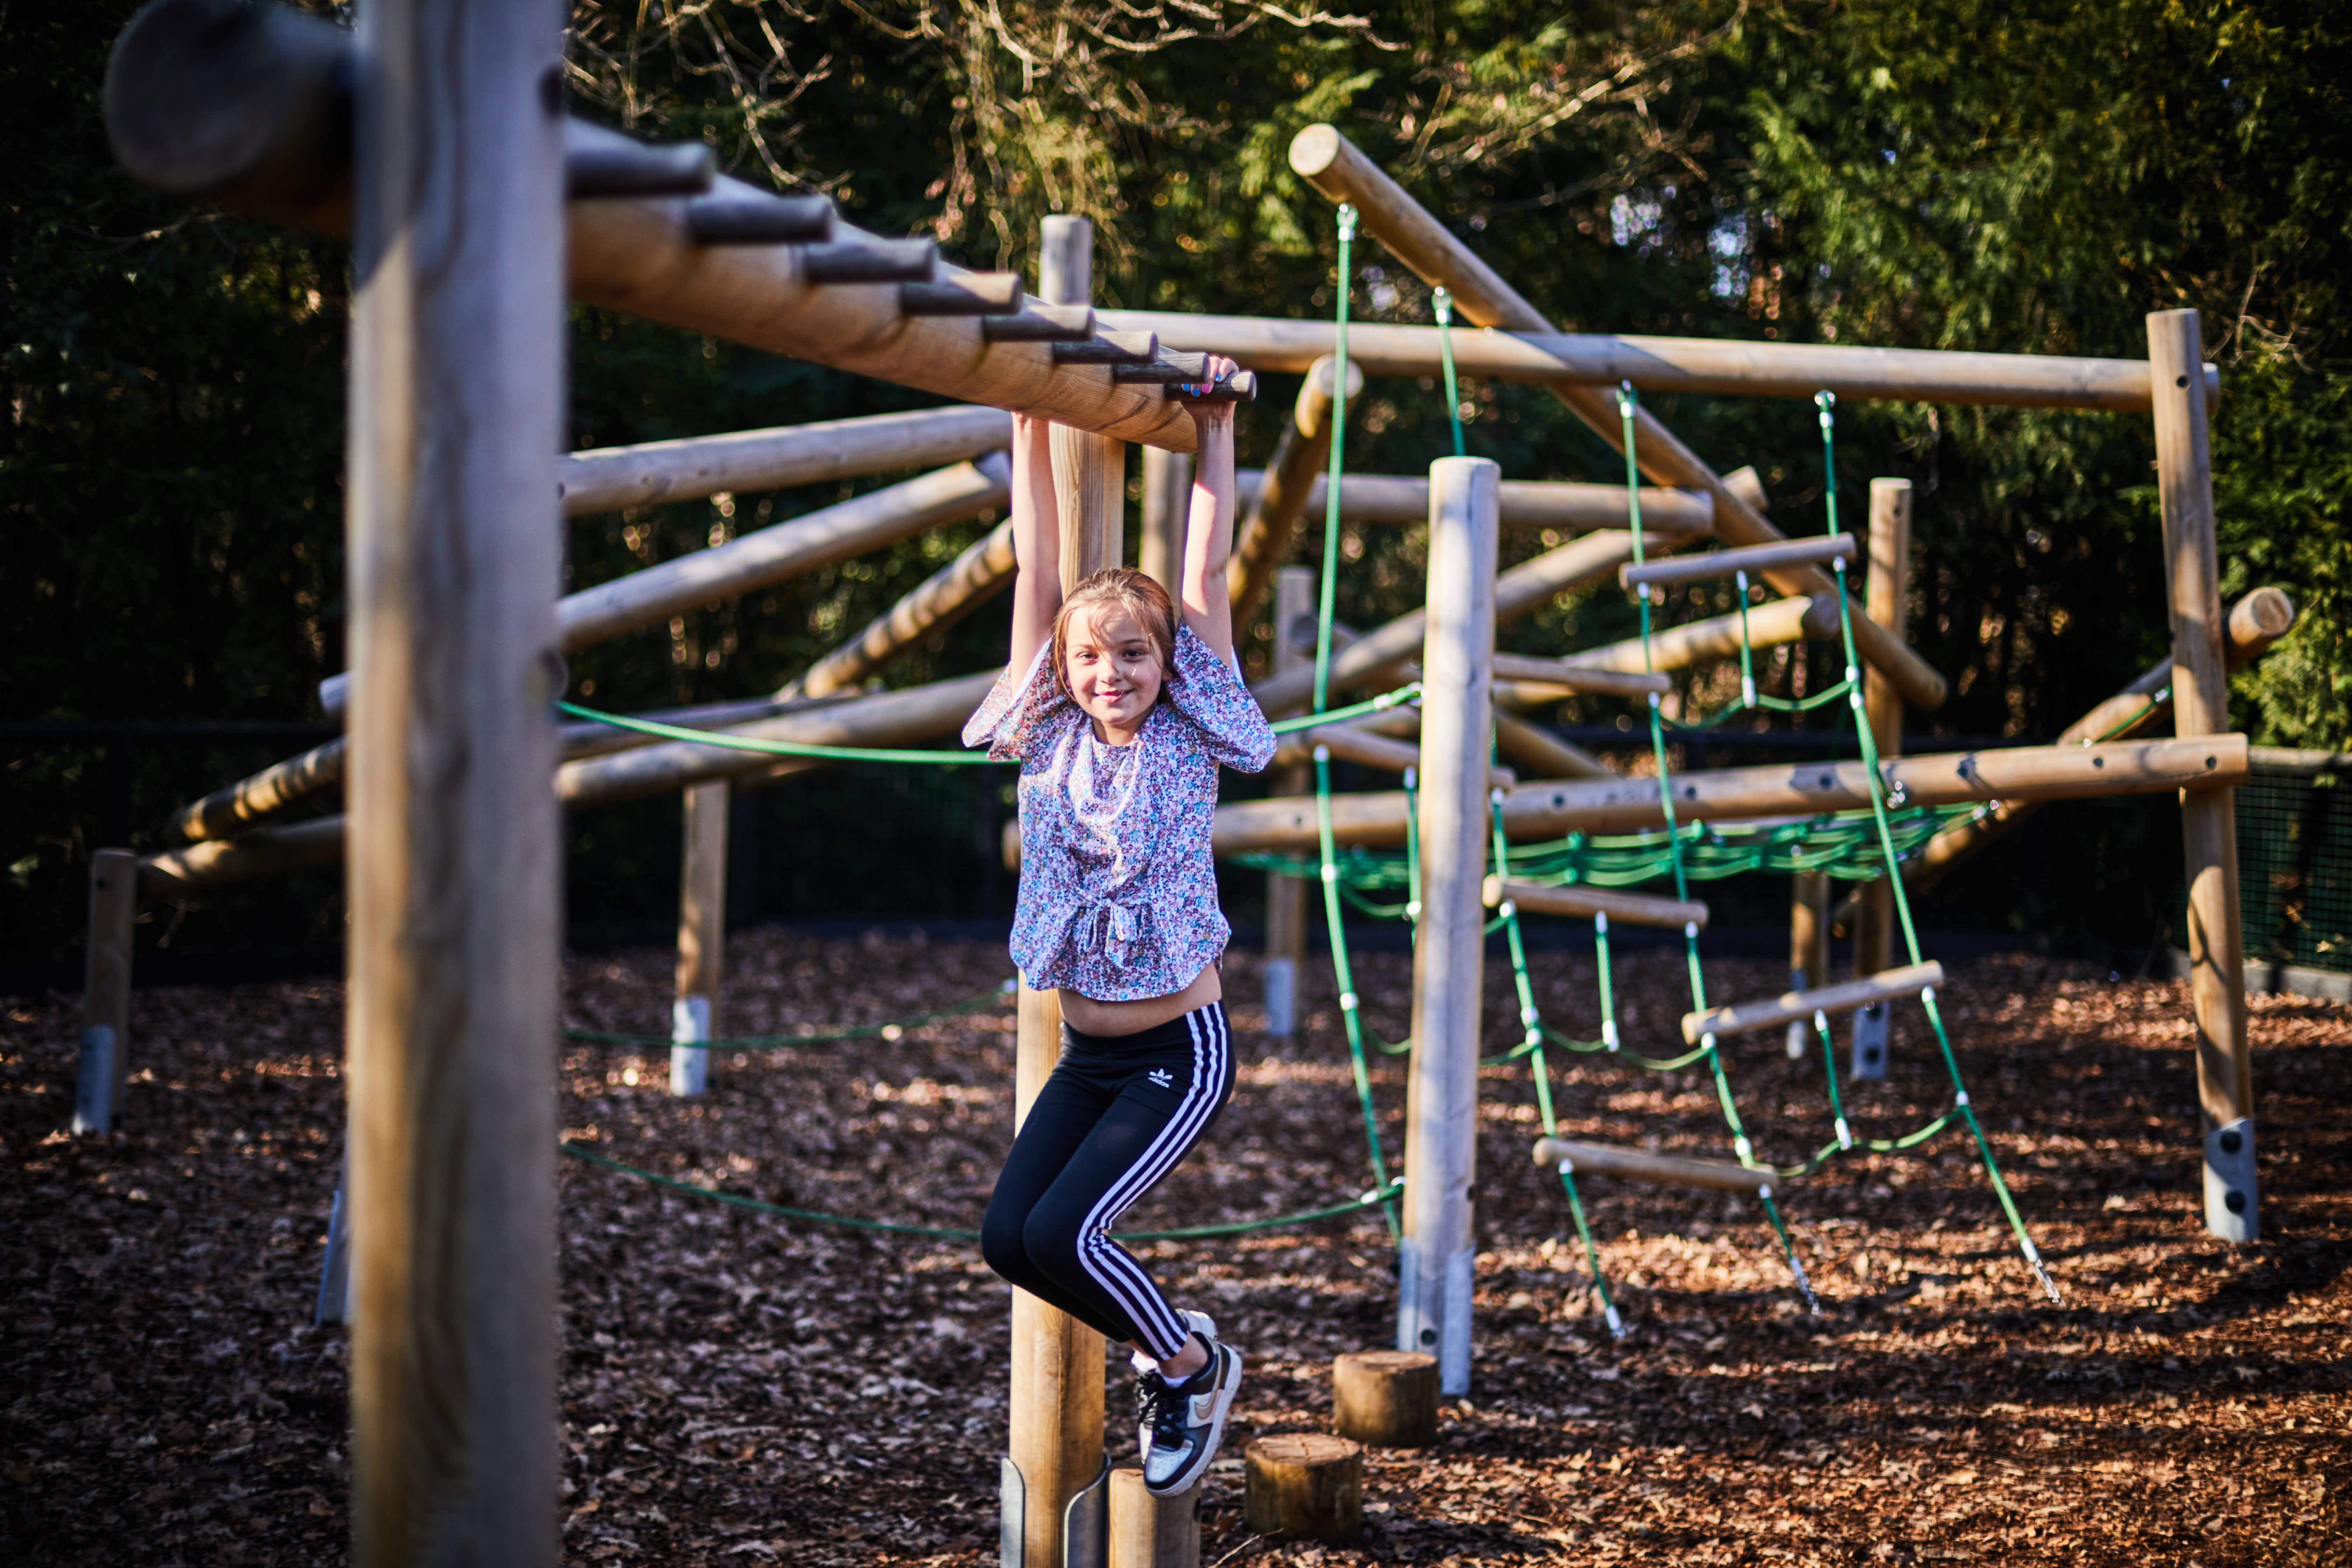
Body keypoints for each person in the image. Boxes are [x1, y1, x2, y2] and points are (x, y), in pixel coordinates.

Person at [963, 364, 1272, 1499]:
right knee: (1011, 1240)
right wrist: (1026, 420)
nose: (1111, 673)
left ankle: (1187, 1365)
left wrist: (1214, 430)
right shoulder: (1047, 728)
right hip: (1086, 1054)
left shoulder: (1189, 728)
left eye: (1133, 654)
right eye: (1091, 657)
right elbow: (1037, 569)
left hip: (1175, 1053)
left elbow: (1205, 574)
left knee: (1070, 1237)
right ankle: (1175, 1349)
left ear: (1166, 663)